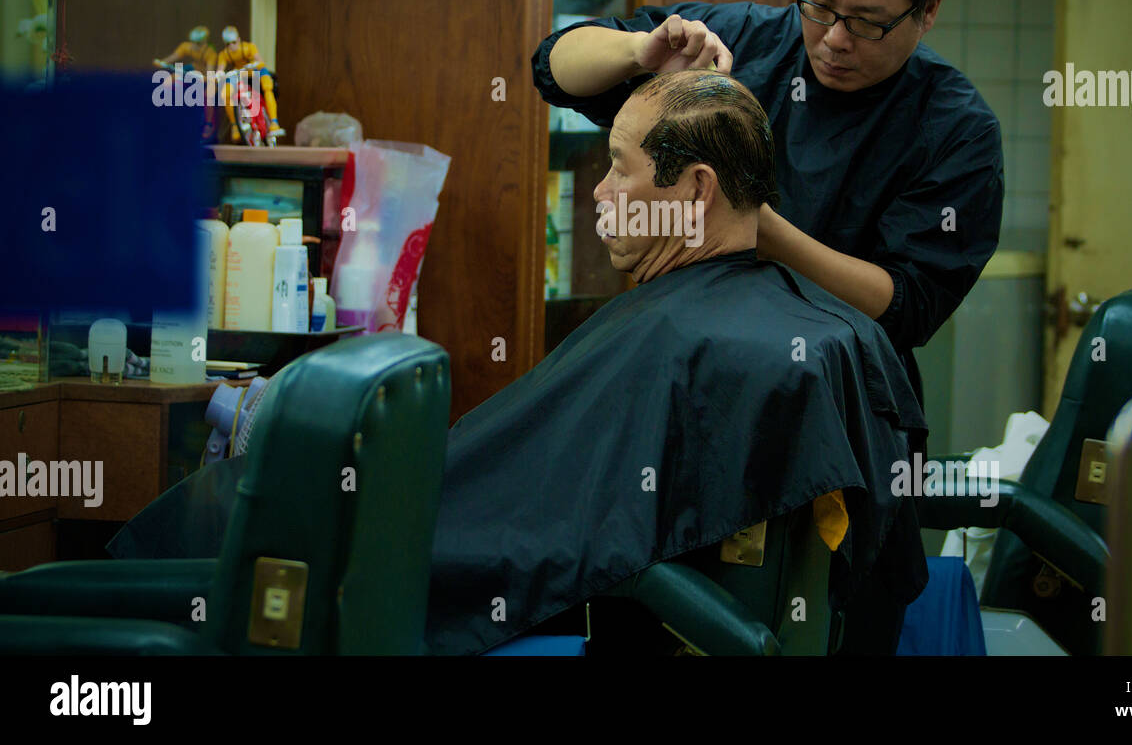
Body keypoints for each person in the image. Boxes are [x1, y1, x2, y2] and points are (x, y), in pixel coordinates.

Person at [111, 71, 929, 654]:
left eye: (621, 168)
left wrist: (309, 459)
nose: (600, 192)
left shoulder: (692, 340)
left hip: (518, 577)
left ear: (697, 190)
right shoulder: (792, 327)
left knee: (211, 531)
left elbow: (548, 521)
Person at [533, 0, 1005, 408]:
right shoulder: (740, 40)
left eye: (867, 23)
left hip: (834, 399)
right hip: (689, 368)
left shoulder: (958, 132)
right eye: (818, 4)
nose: (834, 39)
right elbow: (553, 65)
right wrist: (640, 52)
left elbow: (905, 305)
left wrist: (748, 222)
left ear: (928, 12)